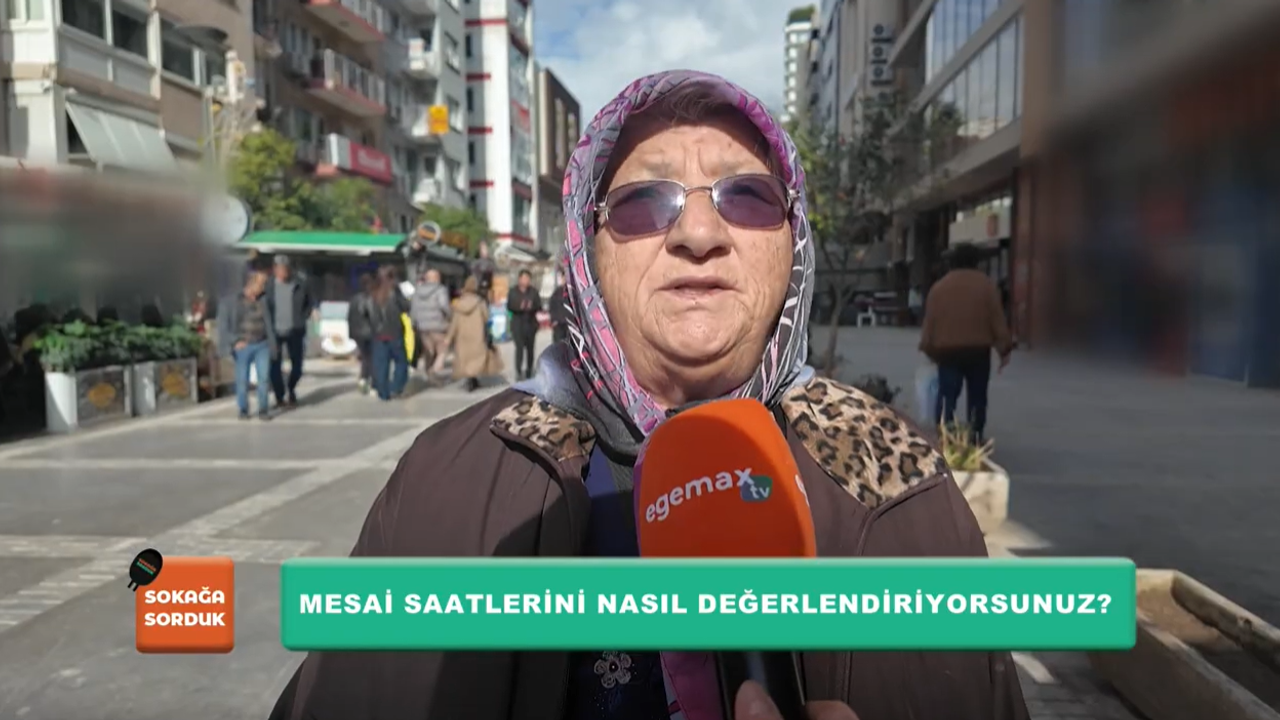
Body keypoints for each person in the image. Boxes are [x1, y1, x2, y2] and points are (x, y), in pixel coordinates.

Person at [269, 70, 1027, 720]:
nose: (698, 231)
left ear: (792, 243)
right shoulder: (450, 474)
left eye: (747, 197)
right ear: (586, 249)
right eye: (643, 202)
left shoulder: (894, 480)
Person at [918, 243, 1015, 443]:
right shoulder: (987, 286)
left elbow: (930, 322)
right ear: (976, 262)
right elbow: (997, 320)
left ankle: (945, 435)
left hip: (947, 352)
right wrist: (1004, 348)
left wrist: (929, 348)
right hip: (978, 351)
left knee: (947, 395)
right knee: (978, 397)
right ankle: (975, 435)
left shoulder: (939, 288)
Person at [216, 269, 277, 421]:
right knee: (242, 379)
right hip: (243, 346)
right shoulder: (233, 301)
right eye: (261, 284)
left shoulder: (264, 300)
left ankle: (263, 409)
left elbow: (270, 324)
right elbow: (223, 326)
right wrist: (234, 341)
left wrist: (272, 345)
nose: (263, 288)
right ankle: (243, 409)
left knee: (263, 378)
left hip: (262, 344)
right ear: (251, 284)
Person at [267, 255, 315, 409]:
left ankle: (291, 387)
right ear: (275, 270)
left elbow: (309, 303)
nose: (284, 272)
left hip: (295, 330)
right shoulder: (268, 286)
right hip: (274, 331)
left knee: (297, 365)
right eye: (281, 269)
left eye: (286, 269)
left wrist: (303, 316)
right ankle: (279, 396)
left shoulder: (300, 284)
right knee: (274, 365)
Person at [364, 265, 410, 401]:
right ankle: (396, 387)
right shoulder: (395, 291)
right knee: (401, 362)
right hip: (394, 332)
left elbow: (367, 313)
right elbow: (406, 307)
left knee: (381, 364)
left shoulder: (372, 292)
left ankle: (383, 392)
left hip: (378, 334)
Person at [443, 275, 495, 393]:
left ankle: (470, 379)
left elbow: (454, 322)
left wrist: (449, 337)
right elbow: (486, 318)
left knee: (465, 358)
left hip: (462, 336)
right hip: (477, 334)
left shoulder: (458, 303)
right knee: (475, 358)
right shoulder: (480, 302)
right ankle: (473, 380)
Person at [410, 268, 452, 381]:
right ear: (437, 278)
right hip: (438, 325)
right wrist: (450, 317)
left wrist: (414, 324)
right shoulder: (440, 290)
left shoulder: (417, 291)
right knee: (443, 350)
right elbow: (444, 306)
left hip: (422, 327)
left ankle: (429, 375)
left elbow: (413, 309)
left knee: (429, 351)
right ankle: (434, 370)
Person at [507, 269, 541, 380]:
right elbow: (509, 306)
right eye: (524, 278)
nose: (526, 281)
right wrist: (520, 306)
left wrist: (531, 306)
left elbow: (539, 306)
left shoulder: (533, 292)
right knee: (519, 348)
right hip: (518, 324)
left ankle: (529, 370)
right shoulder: (513, 291)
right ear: (519, 279)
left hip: (530, 324)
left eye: (528, 278)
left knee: (530, 349)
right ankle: (518, 371)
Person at [348, 273, 375, 395]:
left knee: (365, 357)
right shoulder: (370, 298)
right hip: (369, 332)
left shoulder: (354, 299)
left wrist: (351, 333)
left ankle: (364, 379)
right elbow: (372, 316)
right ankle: (366, 379)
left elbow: (349, 317)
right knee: (370, 358)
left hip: (357, 333)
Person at [549, 267, 572, 344]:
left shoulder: (574, 292)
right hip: (559, 325)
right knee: (559, 345)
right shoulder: (557, 293)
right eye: (564, 277)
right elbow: (552, 307)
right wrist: (554, 320)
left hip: (571, 325)